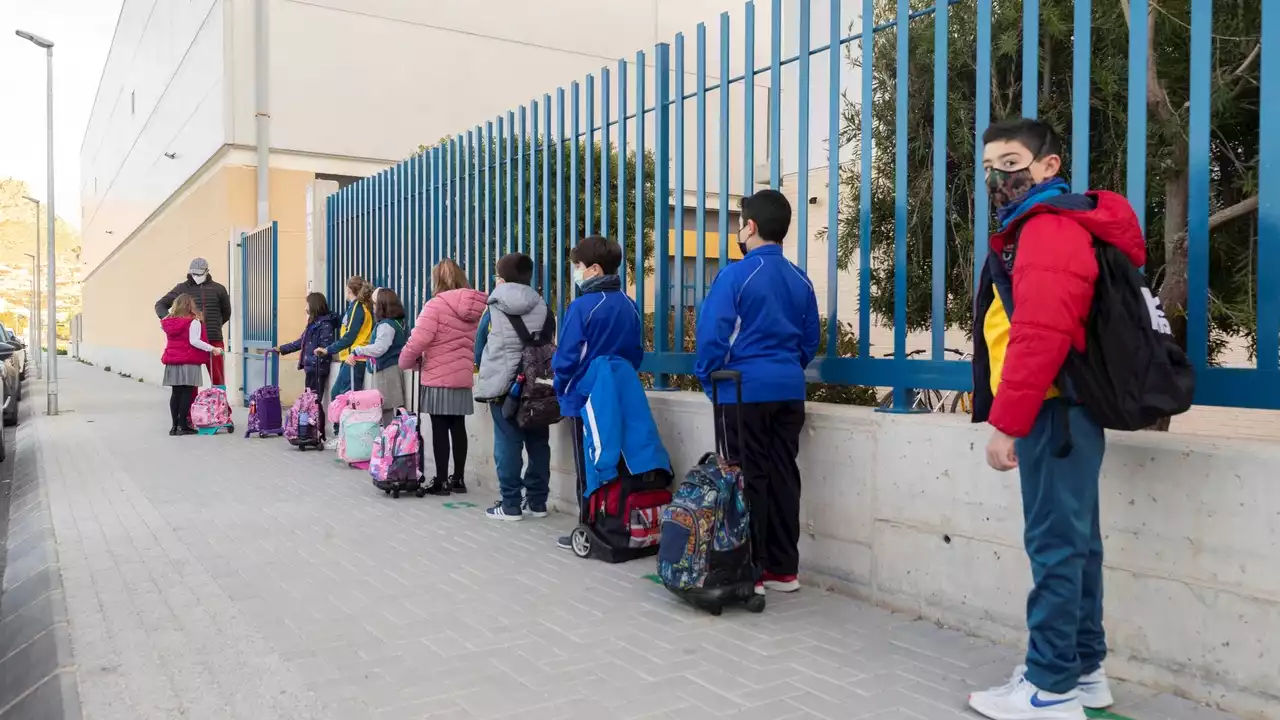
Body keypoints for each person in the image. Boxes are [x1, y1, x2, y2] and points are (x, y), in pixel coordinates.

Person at [966, 118, 1142, 720]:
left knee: (1055, 548)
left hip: (1051, 411)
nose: (999, 176)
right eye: (991, 165)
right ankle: (1084, 672)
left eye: (1012, 162)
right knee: (1076, 546)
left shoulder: (1045, 228)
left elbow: (1039, 333)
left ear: (1048, 165)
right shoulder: (1047, 225)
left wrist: (1008, 421)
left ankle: (1048, 689)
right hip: (1063, 410)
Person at [694, 188, 819, 595]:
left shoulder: (735, 275)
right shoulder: (800, 277)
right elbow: (809, 339)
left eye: (739, 223)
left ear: (750, 226)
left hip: (743, 390)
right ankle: (785, 570)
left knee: (747, 478)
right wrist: (786, 368)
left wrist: (708, 378)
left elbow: (713, 335)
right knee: (784, 474)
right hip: (788, 388)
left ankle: (753, 569)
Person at [551, 235, 644, 550]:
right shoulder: (629, 305)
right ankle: (617, 521)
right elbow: (635, 353)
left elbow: (566, 356)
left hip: (585, 397)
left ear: (592, 268)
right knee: (618, 460)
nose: (575, 272)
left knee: (589, 462)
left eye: (577, 266)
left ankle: (588, 526)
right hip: (620, 395)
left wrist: (562, 385)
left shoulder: (582, 307)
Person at [474, 252, 555, 521]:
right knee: (538, 443)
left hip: (504, 386)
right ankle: (538, 502)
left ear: (500, 277)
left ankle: (510, 505)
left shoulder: (494, 306)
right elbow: (547, 340)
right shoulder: (543, 305)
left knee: (508, 444)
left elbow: (479, 348)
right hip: (537, 385)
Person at [399, 259, 487, 495]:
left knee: (439, 429)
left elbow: (419, 340)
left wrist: (406, 361)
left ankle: (440, 480)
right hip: (462, 377)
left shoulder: (435, 305)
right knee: (458, 427)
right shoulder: (473, 308)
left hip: (438, 377)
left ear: (436, 279)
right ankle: (458, 479)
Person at [155, 258, 232, 386]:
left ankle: (221, 405)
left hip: (213, 338)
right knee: (190, 382)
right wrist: (169, 320)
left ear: (207, 272)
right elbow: (160, 304)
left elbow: (226, 313)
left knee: (218, 378)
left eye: (199, 274)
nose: (196, 276)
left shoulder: (219, 289)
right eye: (194, 274)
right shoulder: (181, 288)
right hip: (190, 341)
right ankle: (190, 406)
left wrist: (214, 326)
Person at [316, 276, 374, 439]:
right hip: (348, 358)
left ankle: (344, 436)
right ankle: (340, 434)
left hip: (355, 359)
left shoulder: (358, 308)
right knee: (337, 394)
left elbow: (349, 336)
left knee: (344, 398)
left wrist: (328, 349)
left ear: (349, 290)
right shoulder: (354, 307)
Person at [276, 293, 338, 440]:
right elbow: (301, 342)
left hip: (317, 369)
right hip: (310, 368)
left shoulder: (325, 325)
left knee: (314, 401)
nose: (305, 308)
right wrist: (282, 349)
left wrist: (313, 360)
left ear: (314, 305)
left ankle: (317, 432)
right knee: (308, 400)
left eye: (307, 304)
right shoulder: (313, 323)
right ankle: (307, 430)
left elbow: (325, 347)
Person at [160, 294, 223, 435]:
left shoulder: (168, 322)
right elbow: (194, 341)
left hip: (173, 361)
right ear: (190, 306)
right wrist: (212, 348)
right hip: (189, 361)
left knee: (175, 393)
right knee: (187, 393)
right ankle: (184, 425)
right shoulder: (193, 321)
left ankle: (174, 427)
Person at [350, 288, 408, 424]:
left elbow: (379, 348)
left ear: (382, 305)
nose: (373, 307)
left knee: (386, 409)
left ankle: (388, 442)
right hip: (389, 369)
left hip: (386, 371)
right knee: (387, 409)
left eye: (375, 304)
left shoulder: (386, 325)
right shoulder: (396, 323)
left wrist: (358, 350)